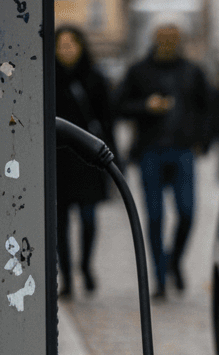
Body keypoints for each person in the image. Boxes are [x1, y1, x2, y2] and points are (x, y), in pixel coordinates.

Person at [116, 22, 210, 296]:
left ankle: (173, 261)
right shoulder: (138, 71)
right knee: (154, 217)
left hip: (182, 152)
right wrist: (146, 106)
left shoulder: (193, 71)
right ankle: (158, 277)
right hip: (150, 152)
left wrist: (201, 140)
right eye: (163, 38)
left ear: (180, 41)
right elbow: (118, 105)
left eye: (173, 38)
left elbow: (207, 108)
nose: (168, 43)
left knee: (187, 213)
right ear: (154, 40)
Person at [54, 25, 117, 297]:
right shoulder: (47, 78)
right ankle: (66, 277)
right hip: (57, 160)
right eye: (62, 44)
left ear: (81, 46)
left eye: (72, 44)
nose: (67, 49)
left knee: (89, 219)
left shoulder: (95, 78)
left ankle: (85, 265)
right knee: (60, 223)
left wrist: (113, 158)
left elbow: (107, 120)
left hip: (87, 157)